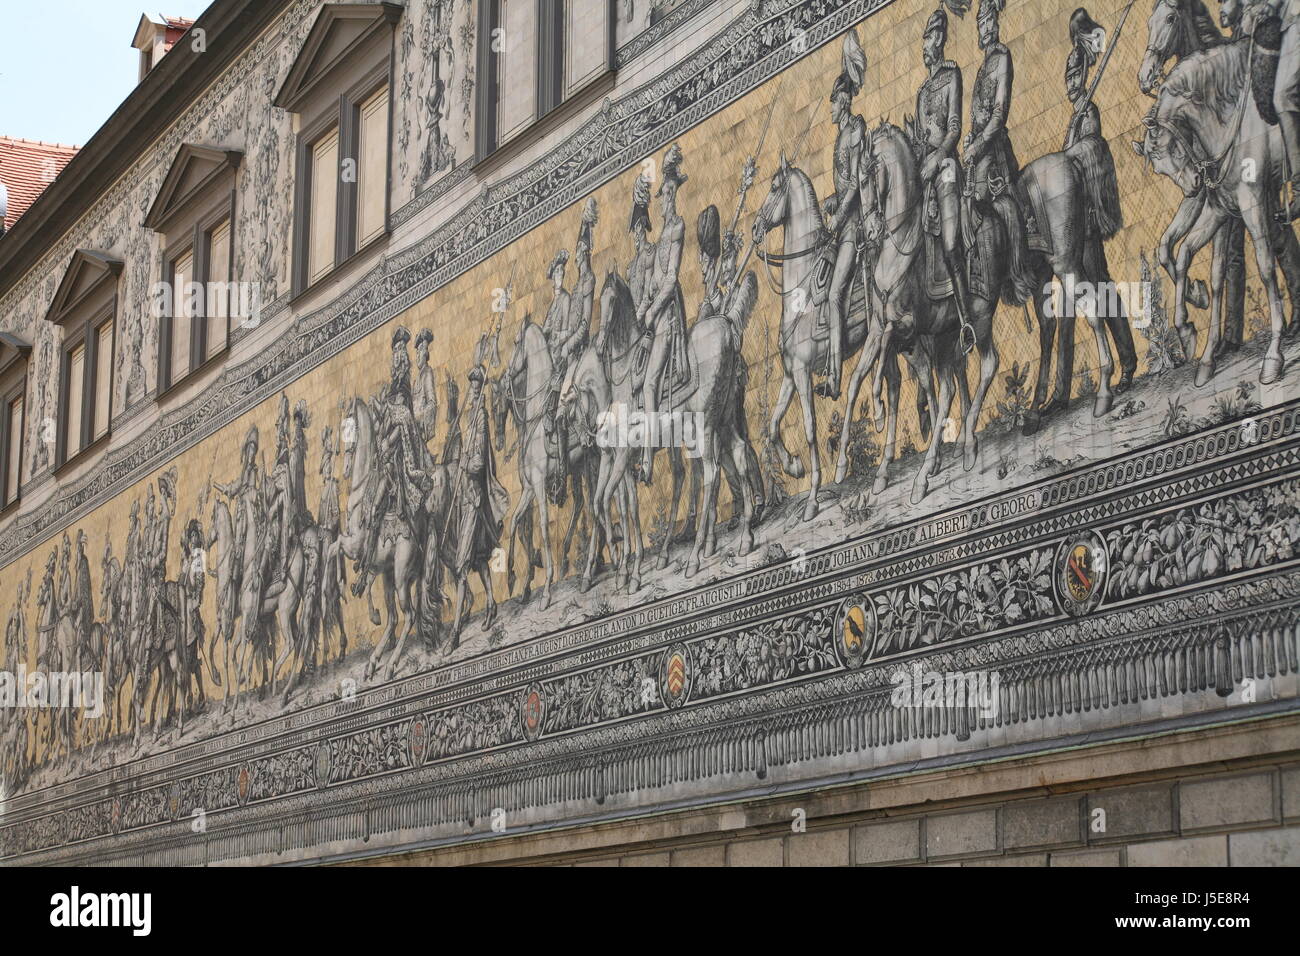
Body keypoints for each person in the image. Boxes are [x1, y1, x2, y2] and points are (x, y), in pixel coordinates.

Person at [1063, 12, 1137, 392]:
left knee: (1102, 288)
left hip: (1089, 217)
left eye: (1076, 77)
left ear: (1084, 76)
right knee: (1094, 290)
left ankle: (1126, 360)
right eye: (1068, 79)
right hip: (1076, 225)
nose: (1072, 84)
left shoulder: (1087, 114)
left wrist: (1072, 153)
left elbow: (1092, 154)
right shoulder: (1073, 118)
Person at [964, 0, 1034, 304]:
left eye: (986, 21)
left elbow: (998, 112)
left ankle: (1014, 271)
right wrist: (970, 138)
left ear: (996, 22)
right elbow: (977, 113)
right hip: (979, 149)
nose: (982, 27)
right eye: (979, 23)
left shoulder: (1002, 57)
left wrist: (979, 144)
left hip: (996, 150)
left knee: (995, 201)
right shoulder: (983, 65)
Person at [636, 143, 688, 482]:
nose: (665, 200)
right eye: (663, 195)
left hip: (668, 316)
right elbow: (654, 280)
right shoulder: (657, 243)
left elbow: (670, 280)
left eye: (668, 194)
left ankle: (648, 456)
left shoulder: (678, 228)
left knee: (651, 381)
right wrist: (641, 307)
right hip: (654, 314)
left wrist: (653, 311)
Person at [821, 33, 869, 399]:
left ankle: (834, 375)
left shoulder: (854, 131)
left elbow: (853, 186)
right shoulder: (840, 136)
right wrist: (829, 203)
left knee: (834, 294)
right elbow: (841, 190)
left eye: (834, 102)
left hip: (855, 228)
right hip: (841, 225)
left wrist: (839, 215)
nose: (831, 108)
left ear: (845, 100)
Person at [914, 3, 970, 320]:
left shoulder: (952, 76)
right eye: (923, 40)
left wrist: (937, 160)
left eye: (927, 39)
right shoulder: (922, 92)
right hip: (925, 176)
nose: (924, 47)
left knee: (950, 245)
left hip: (947, 168)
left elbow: (954, 129)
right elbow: (921, 138)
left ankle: (965, 320)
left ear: (938, 38)